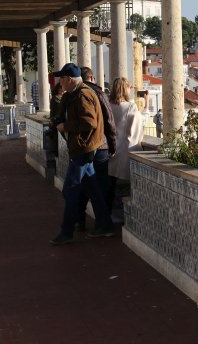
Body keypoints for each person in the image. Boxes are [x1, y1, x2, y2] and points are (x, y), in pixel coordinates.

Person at [49, 63, 114, 245]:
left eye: (61, 78)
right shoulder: (78, 93)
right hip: (84, 148)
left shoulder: (82, 96)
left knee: (70, 191)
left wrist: (65, 126)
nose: (59, 82)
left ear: (69, 80)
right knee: (93, 189)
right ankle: (105, 225)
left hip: (84, 149)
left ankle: (66, 231)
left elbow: (89, 123)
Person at [75, 66, 116, 231]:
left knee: (82, 185)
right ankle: (103, 223)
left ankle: (79, 219)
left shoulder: (74, 94)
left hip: (81, 147)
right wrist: (112, 145)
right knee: (101, 186)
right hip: (100, 146)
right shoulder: (99, 93)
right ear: (92, 78)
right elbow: (109, 121)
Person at [108, 77, 144, 219]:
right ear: (126, 88)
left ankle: (107, 216)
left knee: (109, 186)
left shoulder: (108, 105)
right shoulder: (130, 107)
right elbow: (134, 134)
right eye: (129, 86)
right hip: (124, 150)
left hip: (109, 149)